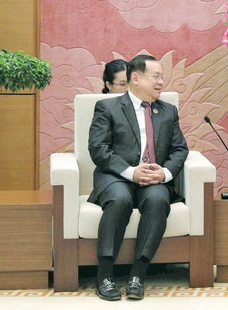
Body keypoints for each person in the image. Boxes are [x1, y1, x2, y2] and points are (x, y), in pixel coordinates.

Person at [87, 54, 188, 301]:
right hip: (117, 177)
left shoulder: (168, 111)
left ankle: (138, 274)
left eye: (162, 77)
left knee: (157, 200)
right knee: (119, 199)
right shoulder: (107, 107)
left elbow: (179, 149)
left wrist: (164, 173)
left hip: (154, 179)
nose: (161, 82)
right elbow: (98, 148)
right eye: (156, 76)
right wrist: (131, 172)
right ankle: (105, 275)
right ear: (135, 78)